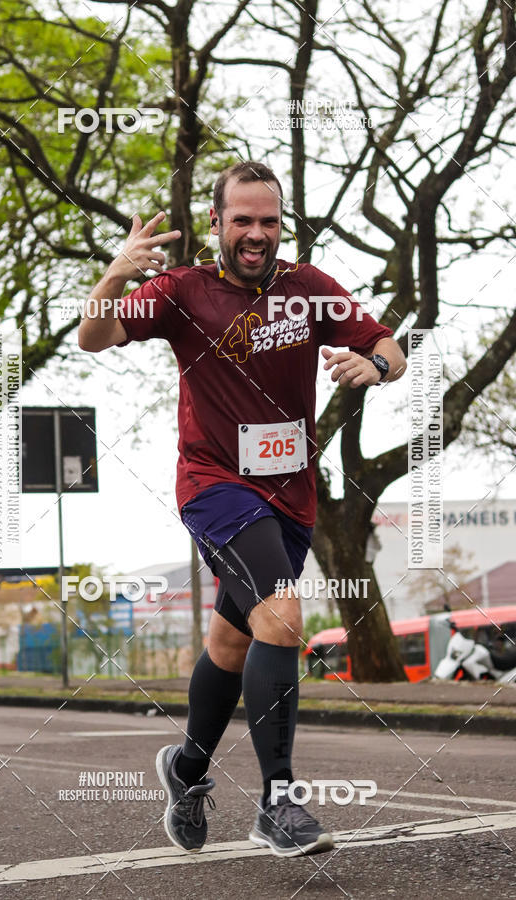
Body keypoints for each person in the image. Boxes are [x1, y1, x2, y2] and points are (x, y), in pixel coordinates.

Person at [79, 160, 406, 857]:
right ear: (217, 223)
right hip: (216, 486)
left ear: (280, 225)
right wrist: (115, 274)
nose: (256, 234)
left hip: (292, 496)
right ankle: (278, 802)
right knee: (283, 614)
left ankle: (188, 770)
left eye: (269, 221)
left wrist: (373, 366)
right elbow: (94, 337)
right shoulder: (181, 291)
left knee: (235, 640)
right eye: (243, 221)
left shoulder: (308, 289)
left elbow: (390, 347)